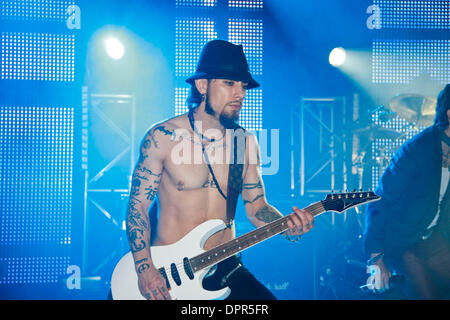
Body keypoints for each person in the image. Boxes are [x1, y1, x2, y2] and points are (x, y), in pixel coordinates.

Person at [125, 40, 315, 300]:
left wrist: (286, 225)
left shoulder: (244, 143)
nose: (240, 93)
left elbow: (257, 208)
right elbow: (137, 208)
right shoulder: (162, 138)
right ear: (202, 85)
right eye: (229, 83)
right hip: (171, 273)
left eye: (243, 85)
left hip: (226, 267)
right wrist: (144, 268)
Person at [364, 84, 450, 299]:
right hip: (401, 240)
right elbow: (380, 201)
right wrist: (376, 258)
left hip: (434, 237)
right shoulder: (416, 151)